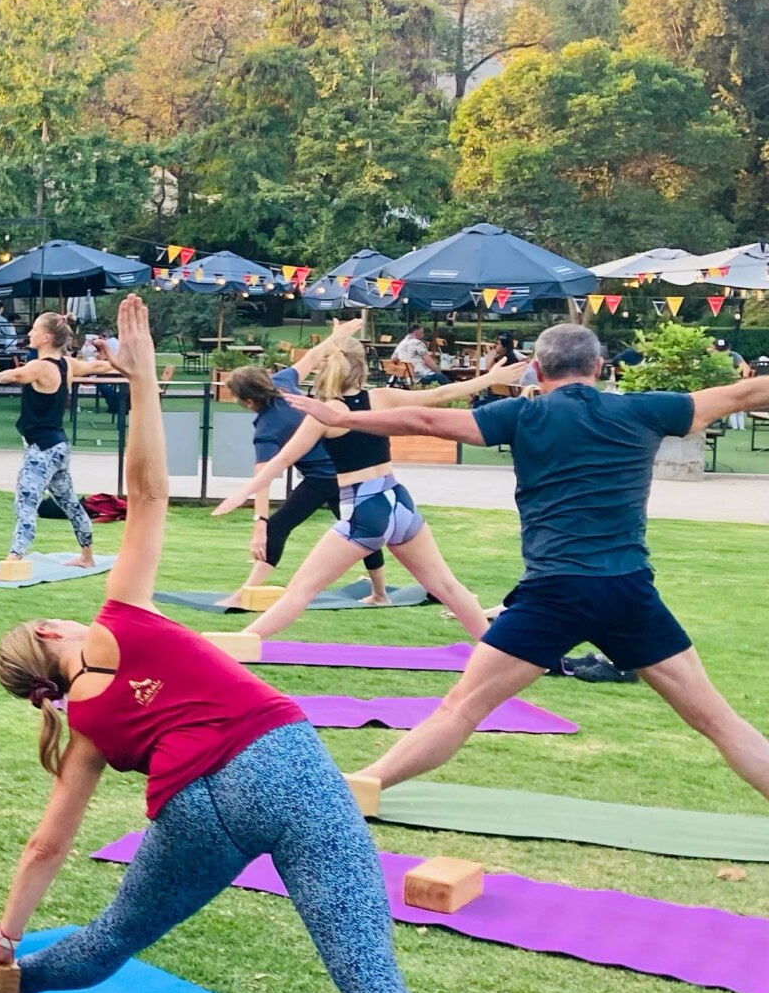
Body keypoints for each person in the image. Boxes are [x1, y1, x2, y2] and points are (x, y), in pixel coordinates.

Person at [0, 292, 592, 993]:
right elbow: (151, 489)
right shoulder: (121, 614)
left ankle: (10, 981)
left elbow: (48, 846)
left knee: (104, 948)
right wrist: (138, 380)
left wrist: (4, 942)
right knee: (371, 984)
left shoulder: (83, 730)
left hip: (196, 816)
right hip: (285, 771)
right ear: (51, 627)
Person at [288, 322, 769, 805]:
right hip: (626, 592)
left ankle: (354, 791)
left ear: (537, 369)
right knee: (718, 720)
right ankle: (356, 790)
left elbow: (427, 422)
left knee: (460, 711)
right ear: (599, 367)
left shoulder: (523, 414)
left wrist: (343, 418)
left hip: (553, 594)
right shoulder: (644, 409)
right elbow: (745, 392)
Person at [212, 341, 519, 636]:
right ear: (361, 368)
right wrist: (490, 378)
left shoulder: (325, 413)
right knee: (449, 587)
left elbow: (282, 459)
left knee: (300, 590)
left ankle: (238, 645)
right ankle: (496, 650)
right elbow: (440, 394)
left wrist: (242, 493)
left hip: (365, 508)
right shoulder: (382, 397)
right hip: (399, 502)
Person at [225, 318, 387, 599]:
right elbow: (313, 356)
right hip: (343, 471)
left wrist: (260, 523)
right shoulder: (282, 383)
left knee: (278, 527)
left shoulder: (266, 429)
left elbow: (262, 480)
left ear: (249, 402)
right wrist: (337, 335)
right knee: (360, 528)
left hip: (323, 478)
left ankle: (244, 594)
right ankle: (380, 593)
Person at [0, 312, 113, 570]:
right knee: (70, 504)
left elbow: (17, 375)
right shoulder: (68, 364)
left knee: (26, 502)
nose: (29, 333)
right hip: (59, 447)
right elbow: (99, 366)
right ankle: (87, 557)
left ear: (47, 337)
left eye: (34, 329)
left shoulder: (41, 366)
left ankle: (13, 561)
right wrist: (112, 356)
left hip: (42, 450)